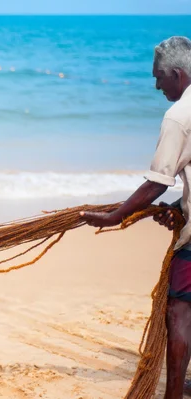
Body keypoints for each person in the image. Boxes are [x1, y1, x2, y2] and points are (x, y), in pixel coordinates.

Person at [81, 36, 191, 399]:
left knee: (179, 312)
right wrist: (180, 207)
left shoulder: (179, 116)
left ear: (177, 74)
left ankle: (173, 394)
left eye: (159, 76)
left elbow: (158, 180)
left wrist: (115, 216)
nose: (156, 84)